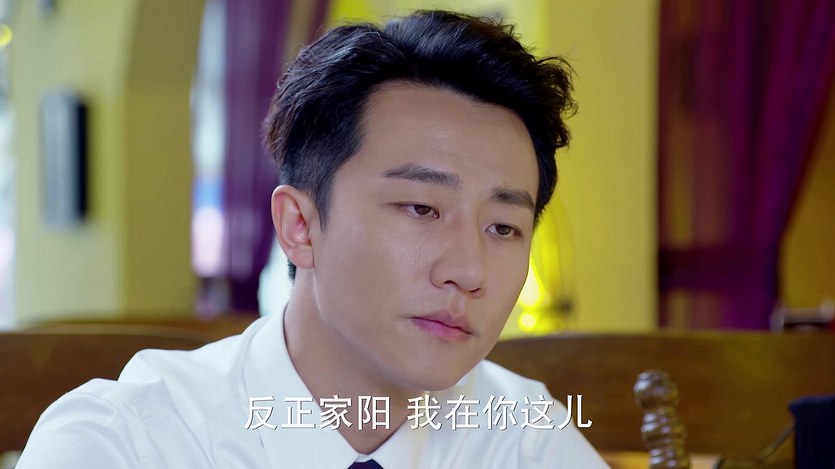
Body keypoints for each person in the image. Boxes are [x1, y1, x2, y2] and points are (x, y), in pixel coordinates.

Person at [17, 10, 608, 468]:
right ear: (299, 226)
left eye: (503, 227)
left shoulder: (525, 437)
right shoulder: (128, 442)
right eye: (421, 208)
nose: (469, 271)